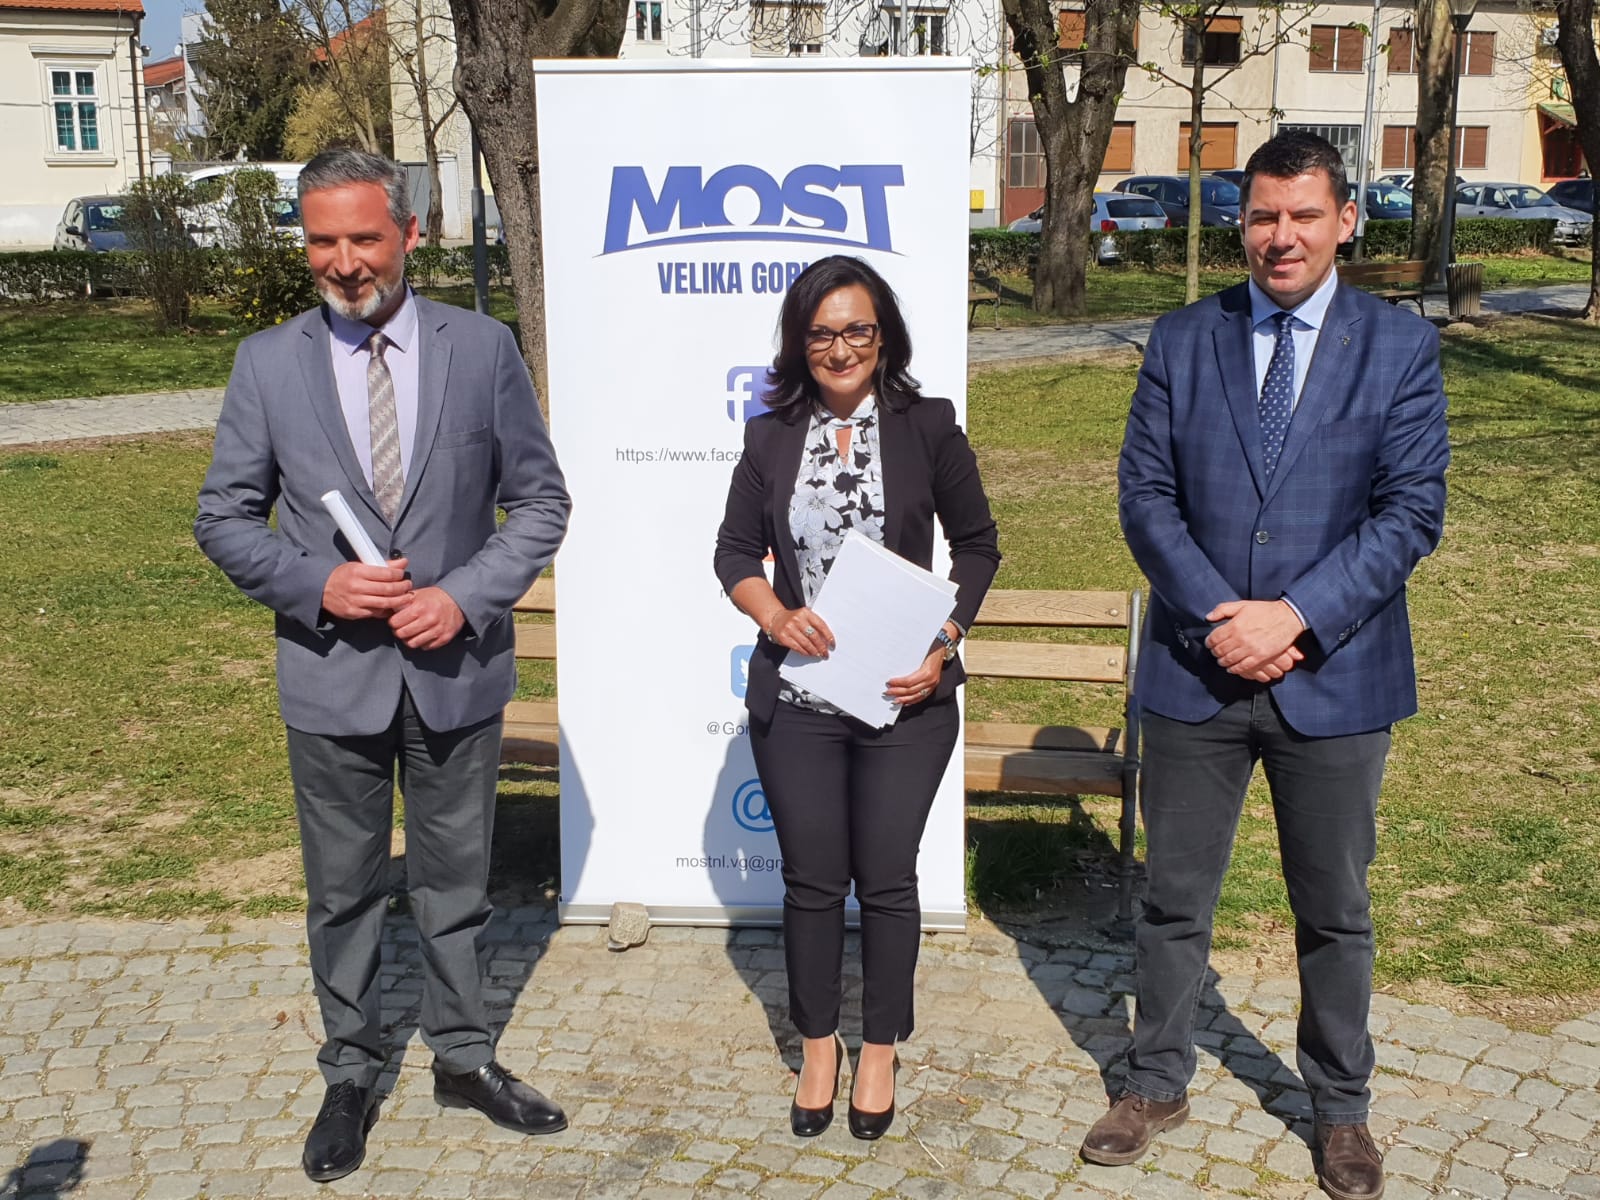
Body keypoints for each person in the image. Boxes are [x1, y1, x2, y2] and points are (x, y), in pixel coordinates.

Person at [1080, 130, 1449, 1200]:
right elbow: (1144, 496)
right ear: (1242, 223)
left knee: (1333, 908)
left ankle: (1339, 1106)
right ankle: (1155, 1080)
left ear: (1344, 221)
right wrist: (1220, 617)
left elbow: (1410, 510)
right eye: (1262, 216)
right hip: (1195, 672)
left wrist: (1293, 615)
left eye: (1302, 215)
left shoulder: (1397, 346)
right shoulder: (1183, 337)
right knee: (1171, 898)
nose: (1280, 236)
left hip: (1337, 676)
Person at [194, 148, 572, 1184]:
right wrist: (318, 585)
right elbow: (223, 517)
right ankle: (351, 1073)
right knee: (344, 891)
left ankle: (462, 1057)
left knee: (454, 885)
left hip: (455, 674)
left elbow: (541, 501)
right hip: (332, 675)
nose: (345, 261)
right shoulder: (267, 364)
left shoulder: (481, 348)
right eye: (323, 241)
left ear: (410, 232)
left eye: (364, 237)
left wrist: (466, 595)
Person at [714, 255, 1000, 1140]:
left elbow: (979, 546)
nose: (841, 349)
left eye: (858, 330)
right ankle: (818, 1045)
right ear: (799, 343)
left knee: (885, 877)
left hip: (904, 699)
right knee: (810, 883)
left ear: (884, 337)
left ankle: (879, 1047)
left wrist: (943, 641)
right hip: (801, 700)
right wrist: (774, 615)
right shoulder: (770, 436)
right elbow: (733, 553)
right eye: (822, 334)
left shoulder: (928, 426)